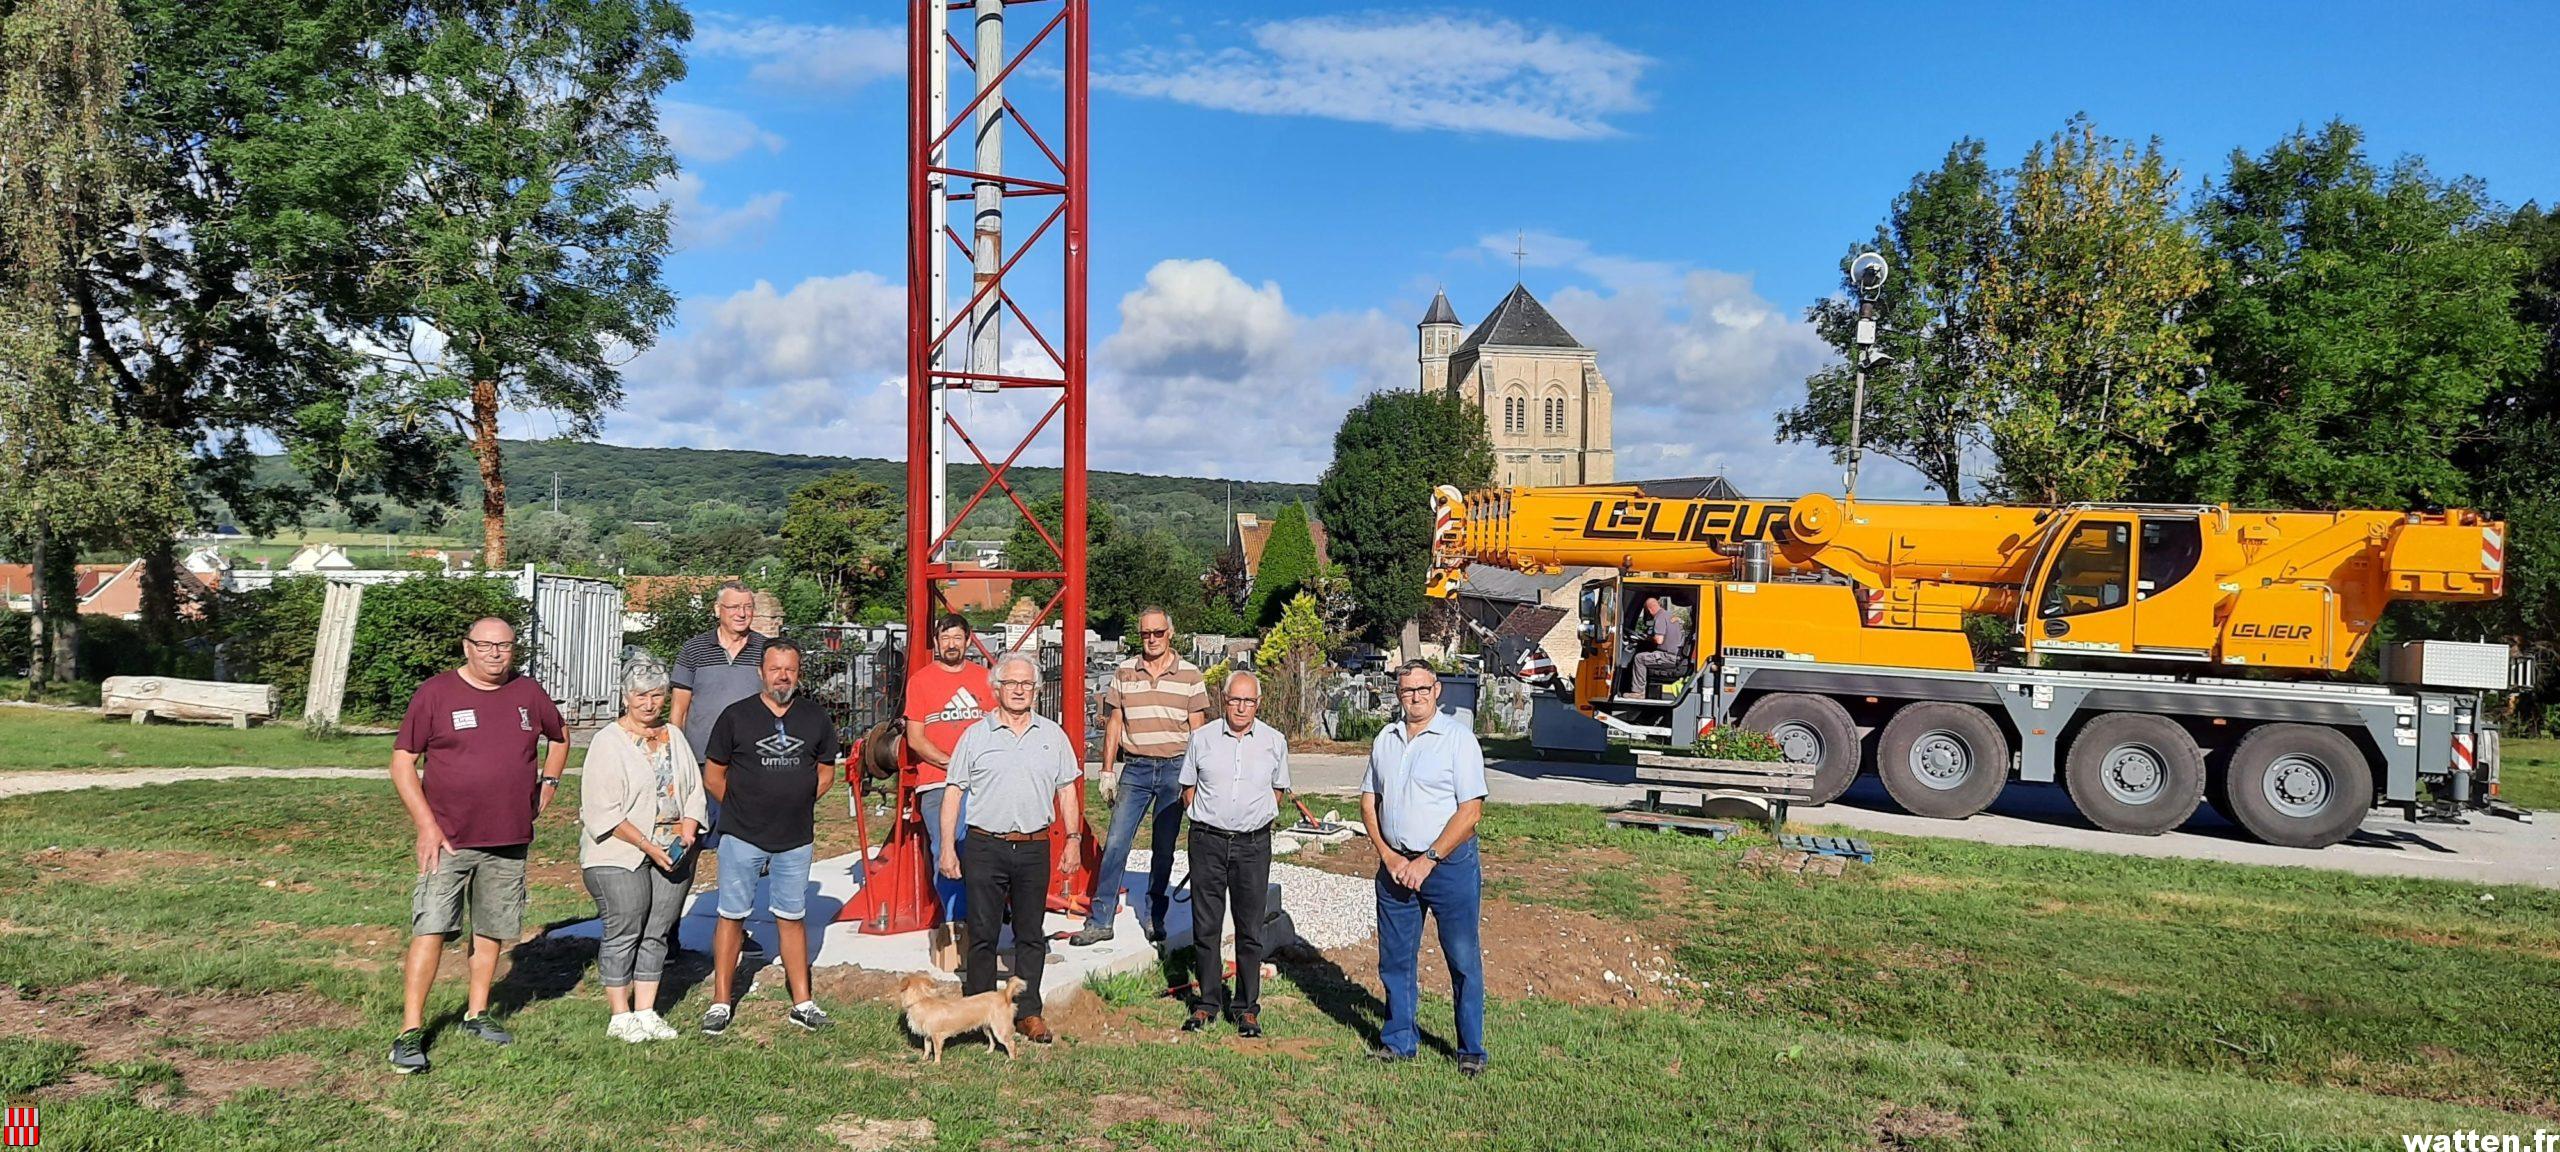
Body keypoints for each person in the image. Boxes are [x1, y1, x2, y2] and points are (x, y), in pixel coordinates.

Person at [386, 617, 569, 1075]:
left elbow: (560, 737)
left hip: (508, 836)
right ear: (467, 647)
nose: (495, 653)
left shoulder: (528, 693)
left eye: (504, 646)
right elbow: (403, 763)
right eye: (486, 645)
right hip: (448, 838)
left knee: (491, 929)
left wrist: (548, 784)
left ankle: (477, 1012)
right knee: (430, 928)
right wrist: (426, 826)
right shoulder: (435, 693)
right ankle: (410, 1032)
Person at [938, 653, 1085, 1045]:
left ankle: (1028, 1011)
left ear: (1036, 690)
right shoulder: (975, 735)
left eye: (1026, 684)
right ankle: (978, 1011)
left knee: (1030, 934)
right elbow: (954, 792)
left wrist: (1073, 840)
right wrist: (948, 847)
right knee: (983, 933)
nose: (1019, 690)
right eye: (1012, 683)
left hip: (1034, 847)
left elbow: (1067, 789)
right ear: (997, 688)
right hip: (985, 845)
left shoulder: (1052, 736)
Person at [699, 638, 840, 1036]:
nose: (782, 676)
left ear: (798, 673)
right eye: (775, 668)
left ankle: (802, 1002)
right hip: (742, 835)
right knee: (731, 915)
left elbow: (826, 772)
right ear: (761, 672)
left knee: (792, 918)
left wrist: (792, 802)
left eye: (790, 669)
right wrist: (746, 806)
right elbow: (714, 775)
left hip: (795, 837)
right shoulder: (735, 717)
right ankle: (721, 1003)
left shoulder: (814, 718)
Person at [1362, 659, 1489, 1076]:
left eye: (1421, 689)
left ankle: (1470, 1049)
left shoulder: (1458, 740)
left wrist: (1428, 859)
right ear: (1397, 695)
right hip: (1396, 867)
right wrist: (1389, 855)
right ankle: (1399, 1039)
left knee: (1463, 958)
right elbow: (1369, 800)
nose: (1413, 697)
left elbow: (1470, 812)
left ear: (1437, 691)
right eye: (1405, 691)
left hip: (1447, 867)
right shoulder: (1386, 738)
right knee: (1395, 959)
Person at [578, 655, 706, 1043]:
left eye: (656, 695)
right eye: (640, 696)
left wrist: (689, 825)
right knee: (626, 924)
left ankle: (647, 1010)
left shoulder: (674, 735)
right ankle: (620, 1015)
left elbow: (694, 789)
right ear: (625, 697)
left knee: (659, 929)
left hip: (674, 847)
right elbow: (602, 811)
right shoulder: (607, 742)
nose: (649, 703)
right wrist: (648, 845)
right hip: (621, 849)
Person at [1069, 607, 1210, 947]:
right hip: (1136, 767)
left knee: (1163, 849)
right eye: (1146, 634)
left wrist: (1199, 776)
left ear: (1170, 634)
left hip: (1176, 768)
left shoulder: (1190, 675)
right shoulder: (1124, 672)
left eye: (1158, 633)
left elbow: (1198, 730)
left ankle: (1155, 915)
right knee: (1116, 842)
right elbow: (1115, 722)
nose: (1152, 640)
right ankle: (1101, 918)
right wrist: (1106, 770)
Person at [1177, 669, 1290, 1037]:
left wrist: (1251, 821)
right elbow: (1188, 789)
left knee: (1250, 928)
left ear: (1258, 703)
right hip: (1207, 842)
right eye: (1235, 699)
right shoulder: (1202, 738)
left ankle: (1246, 1008)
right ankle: (1209, 1003)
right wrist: (1210, 820)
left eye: (1249, 700)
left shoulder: (1274, 741)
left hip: (1253, 845)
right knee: (1206, 926)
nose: (1241, 707)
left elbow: (1278, 791)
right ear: (1223, 700)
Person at [669, 581, 768, 953]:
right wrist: (674, 760)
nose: (741, 614)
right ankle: (668, 933)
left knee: (739, 853)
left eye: (747, 607)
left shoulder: (763, 650)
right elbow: (678, 711)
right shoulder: (695, 649)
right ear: (717, 610)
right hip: (698, 764)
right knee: (686, 846)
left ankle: (735, 931)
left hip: (748, 770)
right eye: (733, 607)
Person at [902, 614, 991, 921]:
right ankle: (959, 927)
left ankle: (986, 920)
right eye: (945, 639)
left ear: (968, 641)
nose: (951, 645)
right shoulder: (921, 682)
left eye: (957, 638)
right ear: (936, 643)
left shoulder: (985, 679)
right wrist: (952, 765)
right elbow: (916, 739)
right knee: (948, 850)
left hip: (983, 784)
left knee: (985, 854)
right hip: (938, 782)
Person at [1629, 595, 1687, 699]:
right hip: (1676, 655)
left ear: (1650, 609)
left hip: (1668, 656)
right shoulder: (1668, 614)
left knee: (1639, 658)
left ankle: (1638, 693)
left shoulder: (1659, 617)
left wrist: (1647, 639)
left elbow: (1659, 640)